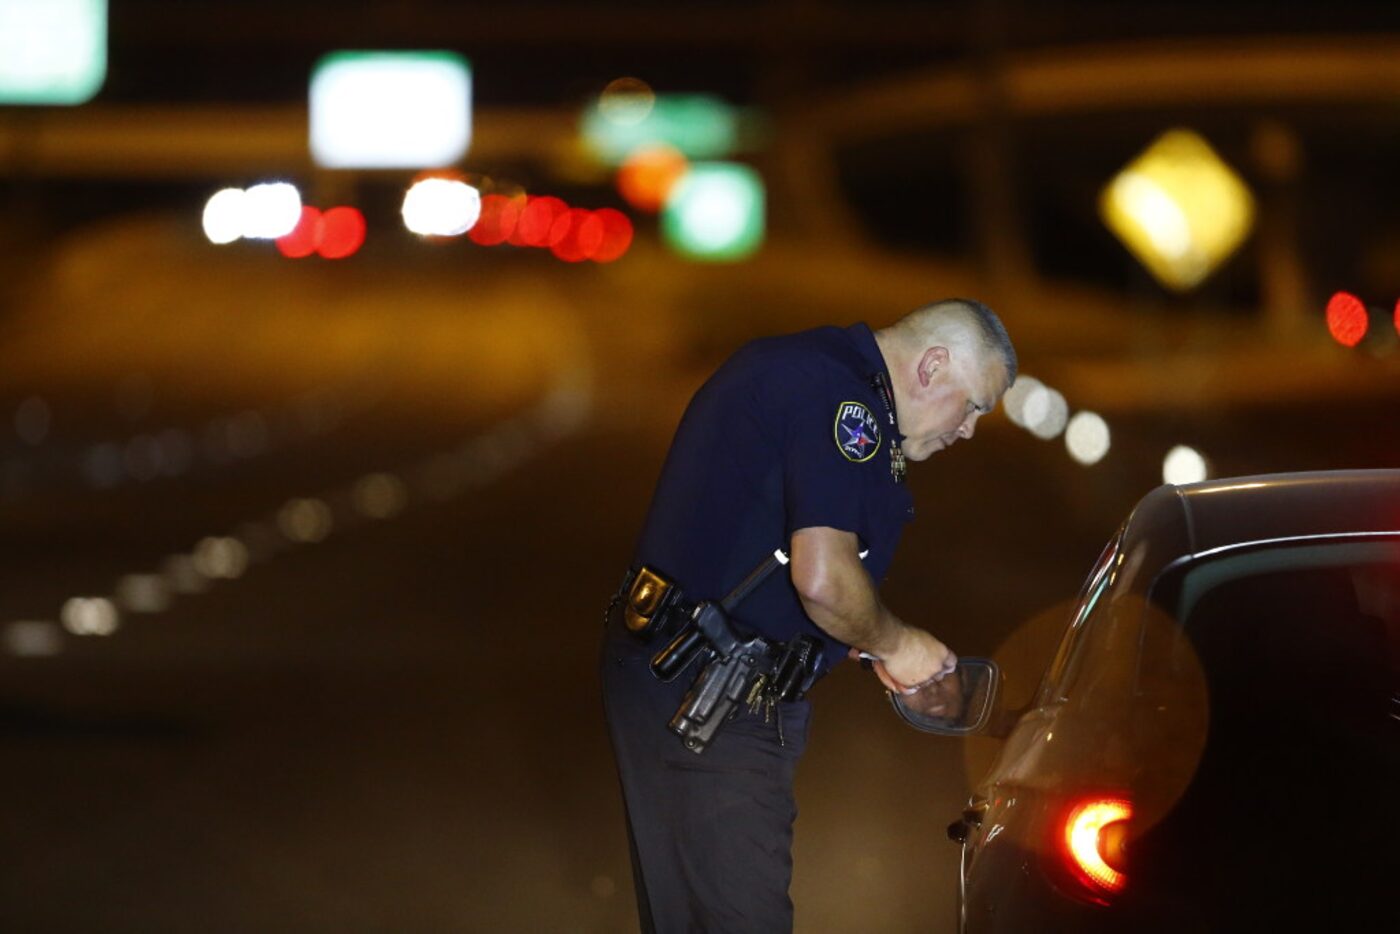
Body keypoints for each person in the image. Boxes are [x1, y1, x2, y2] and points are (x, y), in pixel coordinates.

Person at [600, 299, 1017, 932]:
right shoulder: (839, 396)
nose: (968, 430)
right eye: (975, 406)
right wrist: (897, 644)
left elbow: (754, 540)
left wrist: (857, 641)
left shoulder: (818, 373)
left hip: (692, 677)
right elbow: (821, 577)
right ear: (932, 366)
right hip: (709, 697)